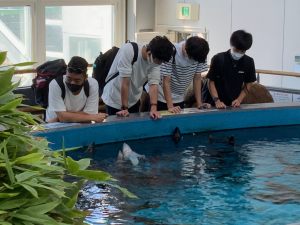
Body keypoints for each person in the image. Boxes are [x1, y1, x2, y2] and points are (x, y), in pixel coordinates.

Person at [101, 36, 174, 119]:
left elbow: (153, 84)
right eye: (158, 61)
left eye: (161, 62)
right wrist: (124, 108)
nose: (159, 64)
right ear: (149, 52)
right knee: (116, 129)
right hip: (115, 97)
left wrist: (154, 108)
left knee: (132, 128)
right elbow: (125, 83)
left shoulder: (156, 60)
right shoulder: (129, 50)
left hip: (134, 99)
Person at [203, 30, 256, 109]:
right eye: (236, 50)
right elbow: (211, 81)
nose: (239, 53)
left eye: (242, 51)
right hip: (212, 102)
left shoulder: (249, 62)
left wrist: (239, 100)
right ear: (231, 45)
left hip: (232, 103)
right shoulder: (218, 59)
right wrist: (217, 100)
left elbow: (249, 83)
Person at [157, 36, 210, 113]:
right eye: (192, 59)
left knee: (177, 122)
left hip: (180, 96)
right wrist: (170, 106)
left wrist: (199, 103)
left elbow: (197, 78)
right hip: (161, 96)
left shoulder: (200, 55)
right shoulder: (171, 52)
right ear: (185, 50)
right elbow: (166, 81)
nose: (194, 62)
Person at [46, 56, 107, 123]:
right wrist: (91, 117)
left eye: (77, 80)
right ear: (66, 73)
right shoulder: (56, 84)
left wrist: (64, 116)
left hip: (74, 122)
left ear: (85, 78)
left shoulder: (92, 84)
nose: (72, 82)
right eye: (69, 79)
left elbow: (90, 113)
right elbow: (63, 118)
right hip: (55, 125)